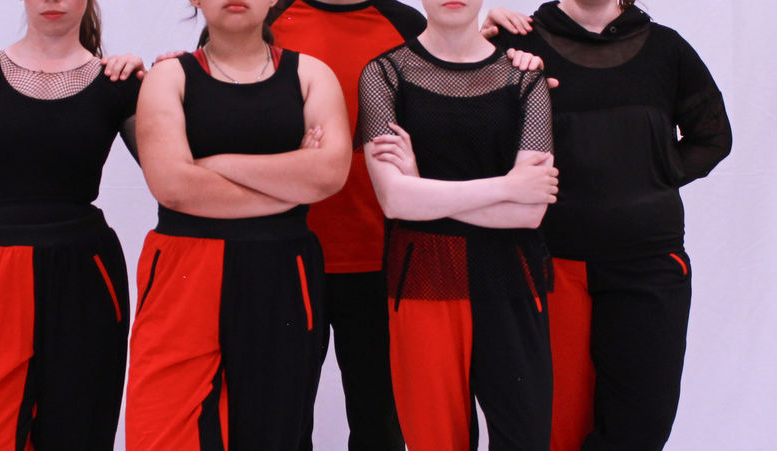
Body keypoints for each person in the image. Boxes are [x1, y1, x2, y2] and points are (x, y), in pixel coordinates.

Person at [483, 1, 732, 449]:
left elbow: (713, 136)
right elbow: (471, 138)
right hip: (548, 262)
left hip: (649, 264)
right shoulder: (516, 43)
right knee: (553, 428)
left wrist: (654, 171)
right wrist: (473, 44)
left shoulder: (666, 49)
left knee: (641, 426)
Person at [124, 0, 351, 449]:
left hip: (283, 268)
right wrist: (291, 183)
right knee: (163, 430)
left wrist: (215, 164)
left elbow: (329, 174)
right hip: (184, 266)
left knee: (274, 432)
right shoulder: (169, 77)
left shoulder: (311, 75)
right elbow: (173, 187)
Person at [0, 0, 146, 448]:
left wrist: (162, 85)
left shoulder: (117, 82)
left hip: (87, 278)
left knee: (78, 435)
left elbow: (175, 178)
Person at [358, 0, 559, 449]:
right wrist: (507, 185)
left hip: (512, 273)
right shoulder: (385, 74)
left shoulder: (523, 77)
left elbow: (529, 212)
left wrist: (421, 189)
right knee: (434, 441)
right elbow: (394, 200)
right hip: (423, 276)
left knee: (525, 438)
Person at [266, 1, 425, 449]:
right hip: (286, 258)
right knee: (279, 426)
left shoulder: (406, 24)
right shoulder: (267, 17)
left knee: (381, 427)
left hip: (382, 259)